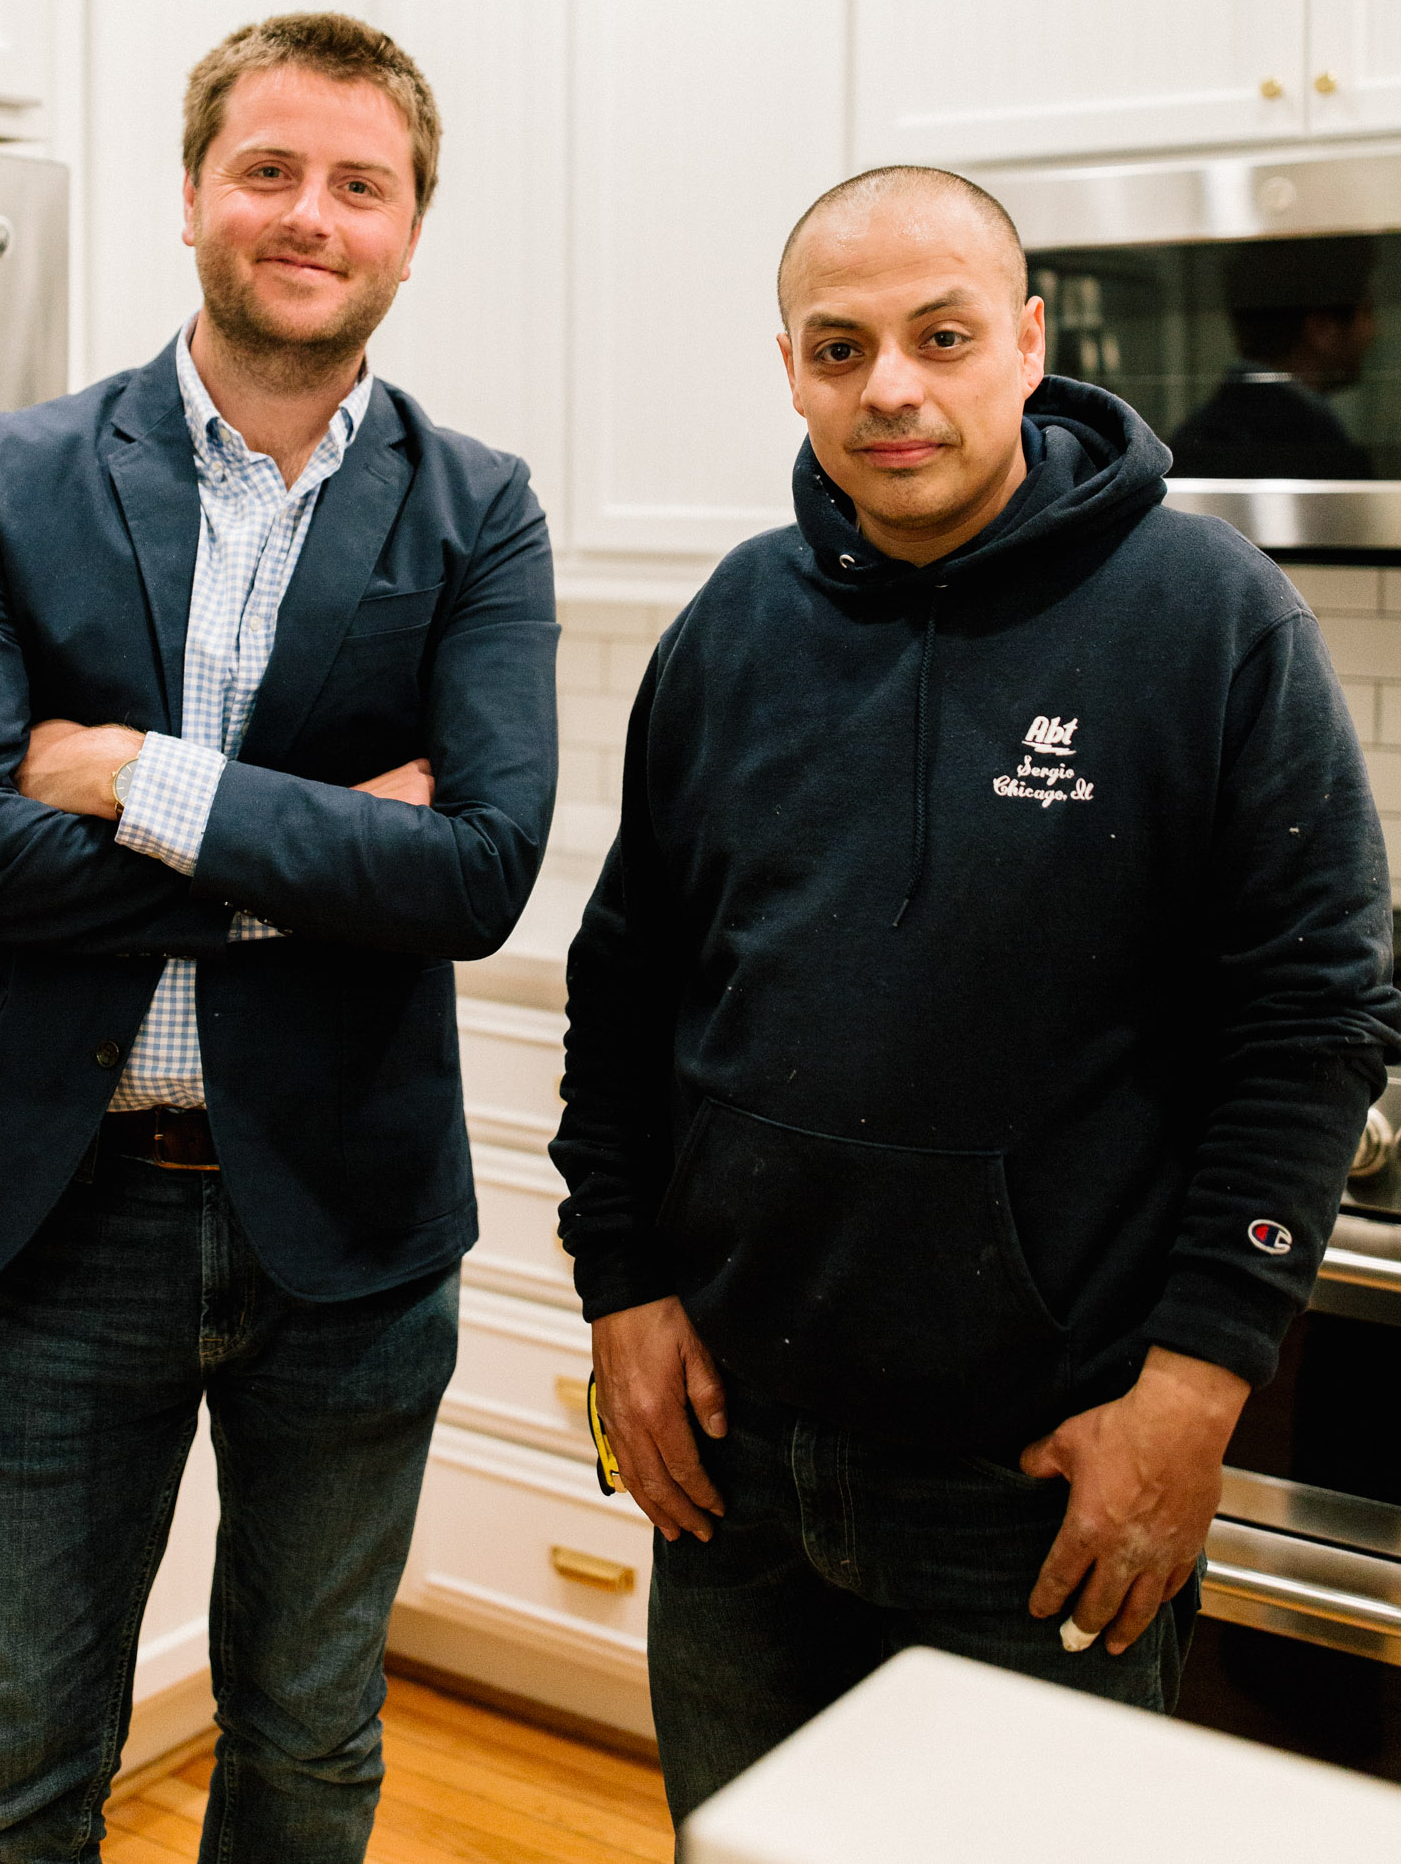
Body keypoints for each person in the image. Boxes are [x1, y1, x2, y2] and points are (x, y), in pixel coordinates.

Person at [552, 163, 1399, 1828]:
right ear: (789, 366)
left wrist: (1196, 1394)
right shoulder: (730, 626)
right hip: (738, 1478)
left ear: (1025, 341)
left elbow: (1315, 1020)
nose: (891, 388)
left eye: (941, 336)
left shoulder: (1206, 619)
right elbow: (627, 986)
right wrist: (622, 1289)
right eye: (838, 345)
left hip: (1035, 1491)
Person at [0, 11, 558, 1863]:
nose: (309, 214)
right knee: (8, 1787)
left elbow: (480, 875)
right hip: (52, 1210)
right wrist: (331, 856)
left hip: (345, 1220)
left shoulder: (480, 508)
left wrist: (123, 777)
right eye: (270, 169)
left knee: (309, 1759)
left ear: (413, 229)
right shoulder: (10, 474)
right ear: (195, 195)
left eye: (362, 183)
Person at [1169, 233, 1379, 478]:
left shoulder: (1190, 439)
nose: (1374, 331)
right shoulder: (1328, 457)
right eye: (1367, 311)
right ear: (1322, 327)